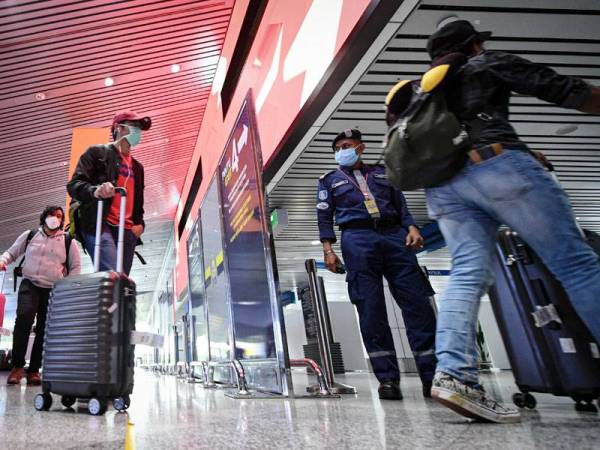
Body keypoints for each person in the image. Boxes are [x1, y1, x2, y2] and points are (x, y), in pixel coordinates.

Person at [420, 19, 600, 423]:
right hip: (497, 165)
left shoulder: (423, 90)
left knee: (466, 275)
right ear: (475, 45)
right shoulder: (485, 64)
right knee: (576, 264)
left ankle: (454, 375)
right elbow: (566, 90)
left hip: (444, 186)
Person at [316, 128, 437, 400]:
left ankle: (431, 377)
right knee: (370, 309)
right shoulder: (328, 180)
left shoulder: (383, 172)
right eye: (337, 149)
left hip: (395, 236)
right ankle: (387, 379)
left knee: (417, 305)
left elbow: (401, 204)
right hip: (356, 239)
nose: (341, 152)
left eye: (346, 145)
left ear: (361, 147)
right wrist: (328, 250)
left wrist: (412, 227)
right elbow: (324, 217)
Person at [0, 206, 81, 385]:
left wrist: (68, 288)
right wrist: (3, 261)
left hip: (54, 289)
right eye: (53, 215)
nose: (56, 218)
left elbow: (75, 268)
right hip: (30, 284)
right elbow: (12, 252)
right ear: (44, 217)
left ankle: (34, 371)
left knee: (44, 329)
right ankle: (18, 367)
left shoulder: (69, 241)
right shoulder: (30, 235)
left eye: (60, 216)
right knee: (23, 318)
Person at [67, 111, 151, 275]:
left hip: (127, 230)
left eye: (139, 128)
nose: (138, 132)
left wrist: (140, 224)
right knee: (112, 275)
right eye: (134, 126)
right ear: (119, 128)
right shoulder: (97, 153)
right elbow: (74, 185)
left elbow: (138, 200)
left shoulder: (138, 168)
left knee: (121, 284)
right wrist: (95, 191)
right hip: (98, 223)